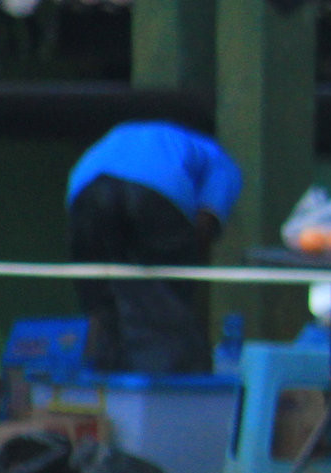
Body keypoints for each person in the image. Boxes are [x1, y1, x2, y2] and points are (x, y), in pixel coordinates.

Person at [65, 119, 241, 373]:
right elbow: (206, 222)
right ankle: (170, 380)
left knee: (100, 297)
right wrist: (187, 262)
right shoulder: (224, 164)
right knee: (166, 297)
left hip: (85, 186)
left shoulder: (147, 140)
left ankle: (100, 374)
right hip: (157, 186)